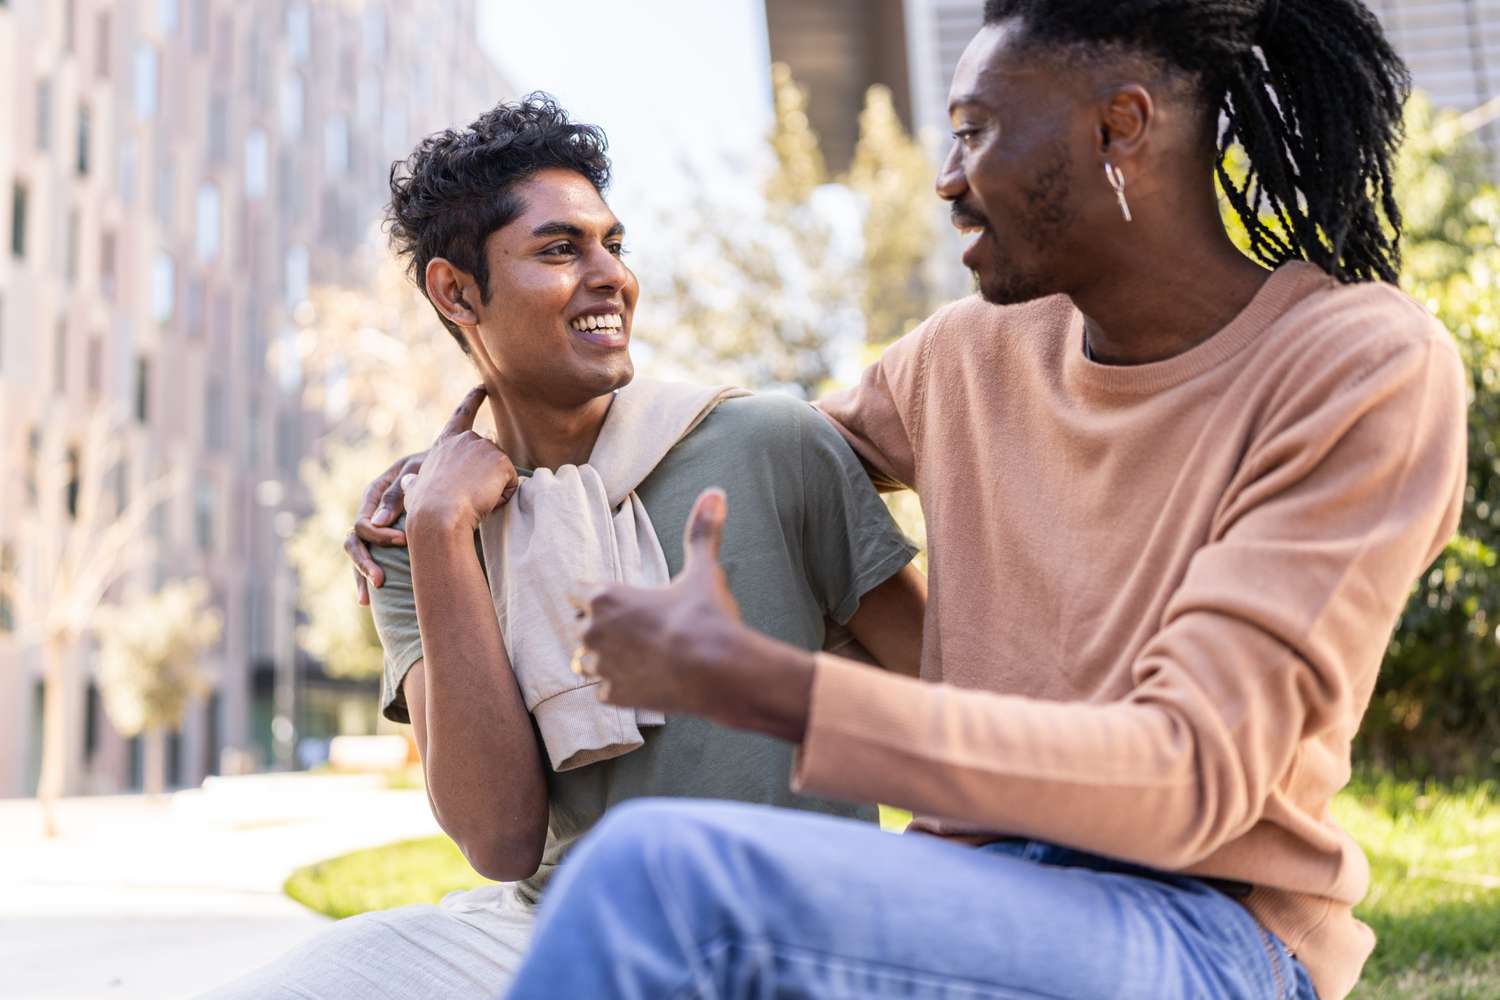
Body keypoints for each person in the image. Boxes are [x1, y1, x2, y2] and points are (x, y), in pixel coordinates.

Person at [485, 3, 1465, 999]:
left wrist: (769, 687)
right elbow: (757, 452)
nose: (947, 179)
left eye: (975, 132)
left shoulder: (1354, 365)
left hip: (1205, 927)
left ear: (1119, 128)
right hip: (968, 889)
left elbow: (1190, 778)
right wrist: (477, 462)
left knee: (659, 879)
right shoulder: (969, 355)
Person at [203, 97, 923, 1000]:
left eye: (612, 244)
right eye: (559, 250)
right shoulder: (411, 532)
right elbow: (500, 840)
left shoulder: (766, 446)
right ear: (456, 292)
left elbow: (948, 692)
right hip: (567, 928)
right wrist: (440, 534)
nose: (610, 275)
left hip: (791, 929)